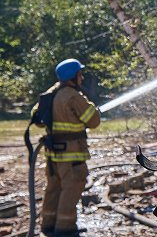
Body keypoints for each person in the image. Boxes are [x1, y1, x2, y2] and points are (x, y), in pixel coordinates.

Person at [32, 58, 101, 237]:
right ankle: (65, 228)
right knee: (71, 188)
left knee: (53, 189)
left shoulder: (51, 93)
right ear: (73, 76)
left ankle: (48, 225)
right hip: (72, 156)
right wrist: (95, 110)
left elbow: (37, 118)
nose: (82, 78)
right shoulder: (72, 96)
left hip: (53, 155)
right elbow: (93, 121)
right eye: (80, 74)